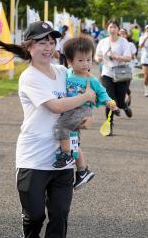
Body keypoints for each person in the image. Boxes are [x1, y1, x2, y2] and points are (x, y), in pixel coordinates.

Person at [0, 21, 96, 238]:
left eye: (51, 42)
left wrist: (85, 117)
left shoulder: (62, 72)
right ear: (29, 47)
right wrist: (84, 97)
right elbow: (56, 106)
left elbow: (82, 101)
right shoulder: (29, 77)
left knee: (60, 215)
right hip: (34, 158)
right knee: (36, 215)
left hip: (63, 157)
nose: (48, 47)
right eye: (42, 42)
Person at [53, 36, 118, 190]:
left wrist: (109, 102)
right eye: (81, 60)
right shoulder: (67, 74)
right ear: (70, 61)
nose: (86, 64)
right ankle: (83, 171)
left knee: (60, 127)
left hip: (81, 110)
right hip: (69, 110)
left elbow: (102, 93)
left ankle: (66, 155)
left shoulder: (92, 80)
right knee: (74, 140)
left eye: (89, 60)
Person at [95, 20, 132, 134]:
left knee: (119, 102)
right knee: (110, 100)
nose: (112, 29)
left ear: (118, 29)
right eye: (110, 27)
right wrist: (99, 59)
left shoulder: (123, 42)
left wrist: (115, 56)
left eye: (114, 27)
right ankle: (109, 125)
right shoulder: (103, 42)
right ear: (107, 28)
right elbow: (97, 56)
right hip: (107, 74)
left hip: (121, 74)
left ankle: (124, 106)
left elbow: (128, 58)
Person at [118, 28, 136, 117]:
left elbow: (132, 56)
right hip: (115, 70)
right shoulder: (114, 43)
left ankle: (124, 104)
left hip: (128, 69)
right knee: (118, 90)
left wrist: (121, 56)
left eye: (124, 33)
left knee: (124, 88)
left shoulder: (130, 45)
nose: (122, 35)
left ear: (126, 35)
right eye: (120, 33)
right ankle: (126, 98)